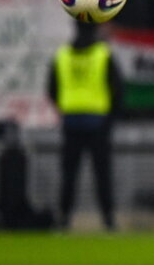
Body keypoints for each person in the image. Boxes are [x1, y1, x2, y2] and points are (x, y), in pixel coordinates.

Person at [47, 21, 123, 230]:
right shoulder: (103, 54)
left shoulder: (62, 55)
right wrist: (110, 117)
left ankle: (64, 219)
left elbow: (52, 89)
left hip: (71, 121)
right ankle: (108, 220)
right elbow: (118, 89)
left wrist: (66, 106)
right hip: (98, 123)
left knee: (69, 174)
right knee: (102, 175)